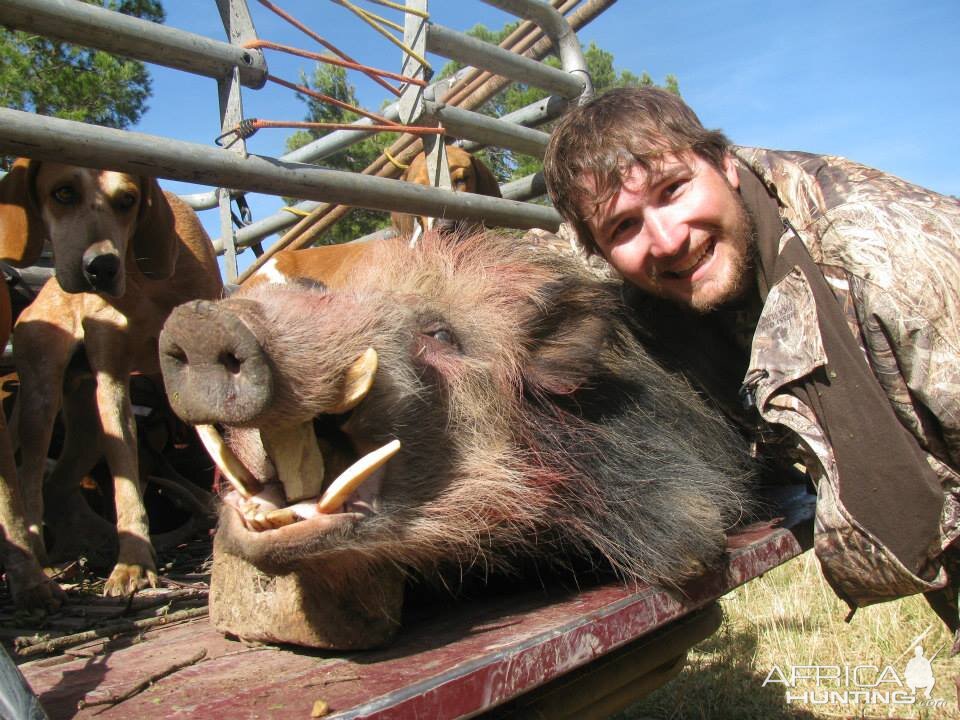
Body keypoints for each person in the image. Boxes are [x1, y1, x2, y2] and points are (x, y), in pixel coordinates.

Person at [542, 86, 960, 641]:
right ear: (599, 251)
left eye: (674, 190)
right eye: (624, 226)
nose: (667, 241)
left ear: (725, 163)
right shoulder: (681, 253)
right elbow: (540, 268)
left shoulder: (892, 259)